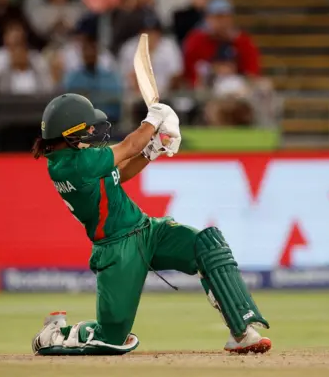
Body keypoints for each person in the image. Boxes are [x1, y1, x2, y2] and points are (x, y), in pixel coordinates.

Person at [30, 93, 272, 355]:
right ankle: (55, 333)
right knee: (112, 338)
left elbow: (119, 173)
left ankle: (242, 332)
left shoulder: (74, 161)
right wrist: (154, 118)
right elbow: (130, 145)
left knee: (207, 245)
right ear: (69, 133)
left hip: (148, 231)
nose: (92, 131)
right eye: (87, 128)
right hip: (118, 249)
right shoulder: (72, 165)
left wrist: (151, 150)